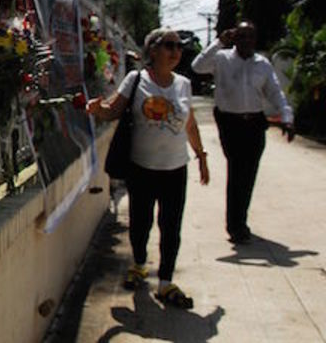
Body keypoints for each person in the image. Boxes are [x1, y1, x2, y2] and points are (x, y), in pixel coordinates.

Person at [87, 27, 210, 309]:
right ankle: (140, 263)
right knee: (140, 224)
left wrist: (201, 156)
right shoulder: (137, 79)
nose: (175, 52)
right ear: (152, 50)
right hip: (142, 168)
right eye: (169, 45)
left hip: (175, 168)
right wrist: (98, 110)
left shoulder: (183, 84)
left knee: (171, 226)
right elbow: (114, 110)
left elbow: (189, 124)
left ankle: (165, 282)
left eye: (178, 47)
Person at [191, 21, 294, 244]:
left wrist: (287, 118)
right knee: (237, 170)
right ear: (234, 38)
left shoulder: (263, 64)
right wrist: (218, 42)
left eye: (250, 37)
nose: (245, 41)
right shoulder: (221, 58)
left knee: (248, 174)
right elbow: (197, 66)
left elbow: (275, 92)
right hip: (230, 123)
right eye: (241, 36)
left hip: (255, 124)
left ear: (255, 40)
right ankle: (236, 225)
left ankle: (238, 221)